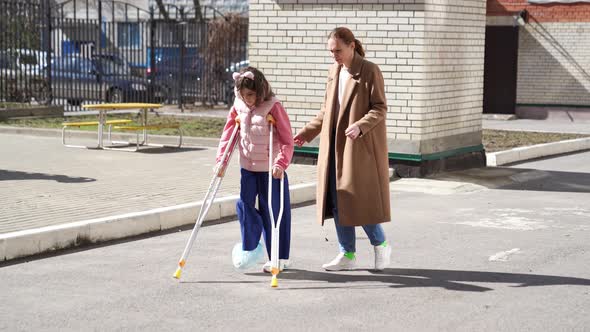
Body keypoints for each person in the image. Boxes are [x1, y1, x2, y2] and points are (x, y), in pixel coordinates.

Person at [293, 27, 392, 271]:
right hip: (333, 147)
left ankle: (381, 245)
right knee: (339, 201)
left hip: (357, 147)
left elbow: (380, 108)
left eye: (338, 50)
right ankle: (347, 254)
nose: (334, 56)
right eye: (331, 51)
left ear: (351, 46)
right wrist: (306, 133)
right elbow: (327, 110)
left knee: (357, 201)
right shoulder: (334, 71)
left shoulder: (369, 70)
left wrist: (361, 126)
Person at [216, 66, 294, 273]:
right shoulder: (238, 105)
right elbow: (229, 134)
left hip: (271, 170)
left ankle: (279, 256)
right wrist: (221, 161)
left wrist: (281, 163)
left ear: (260, 91)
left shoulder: (273, 106)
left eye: (250, 95)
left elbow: (287, 140)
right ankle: (252, 247)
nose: (247, 99)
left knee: (274, 212)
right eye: (243, 95)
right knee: (244, 205)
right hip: (248, 168)